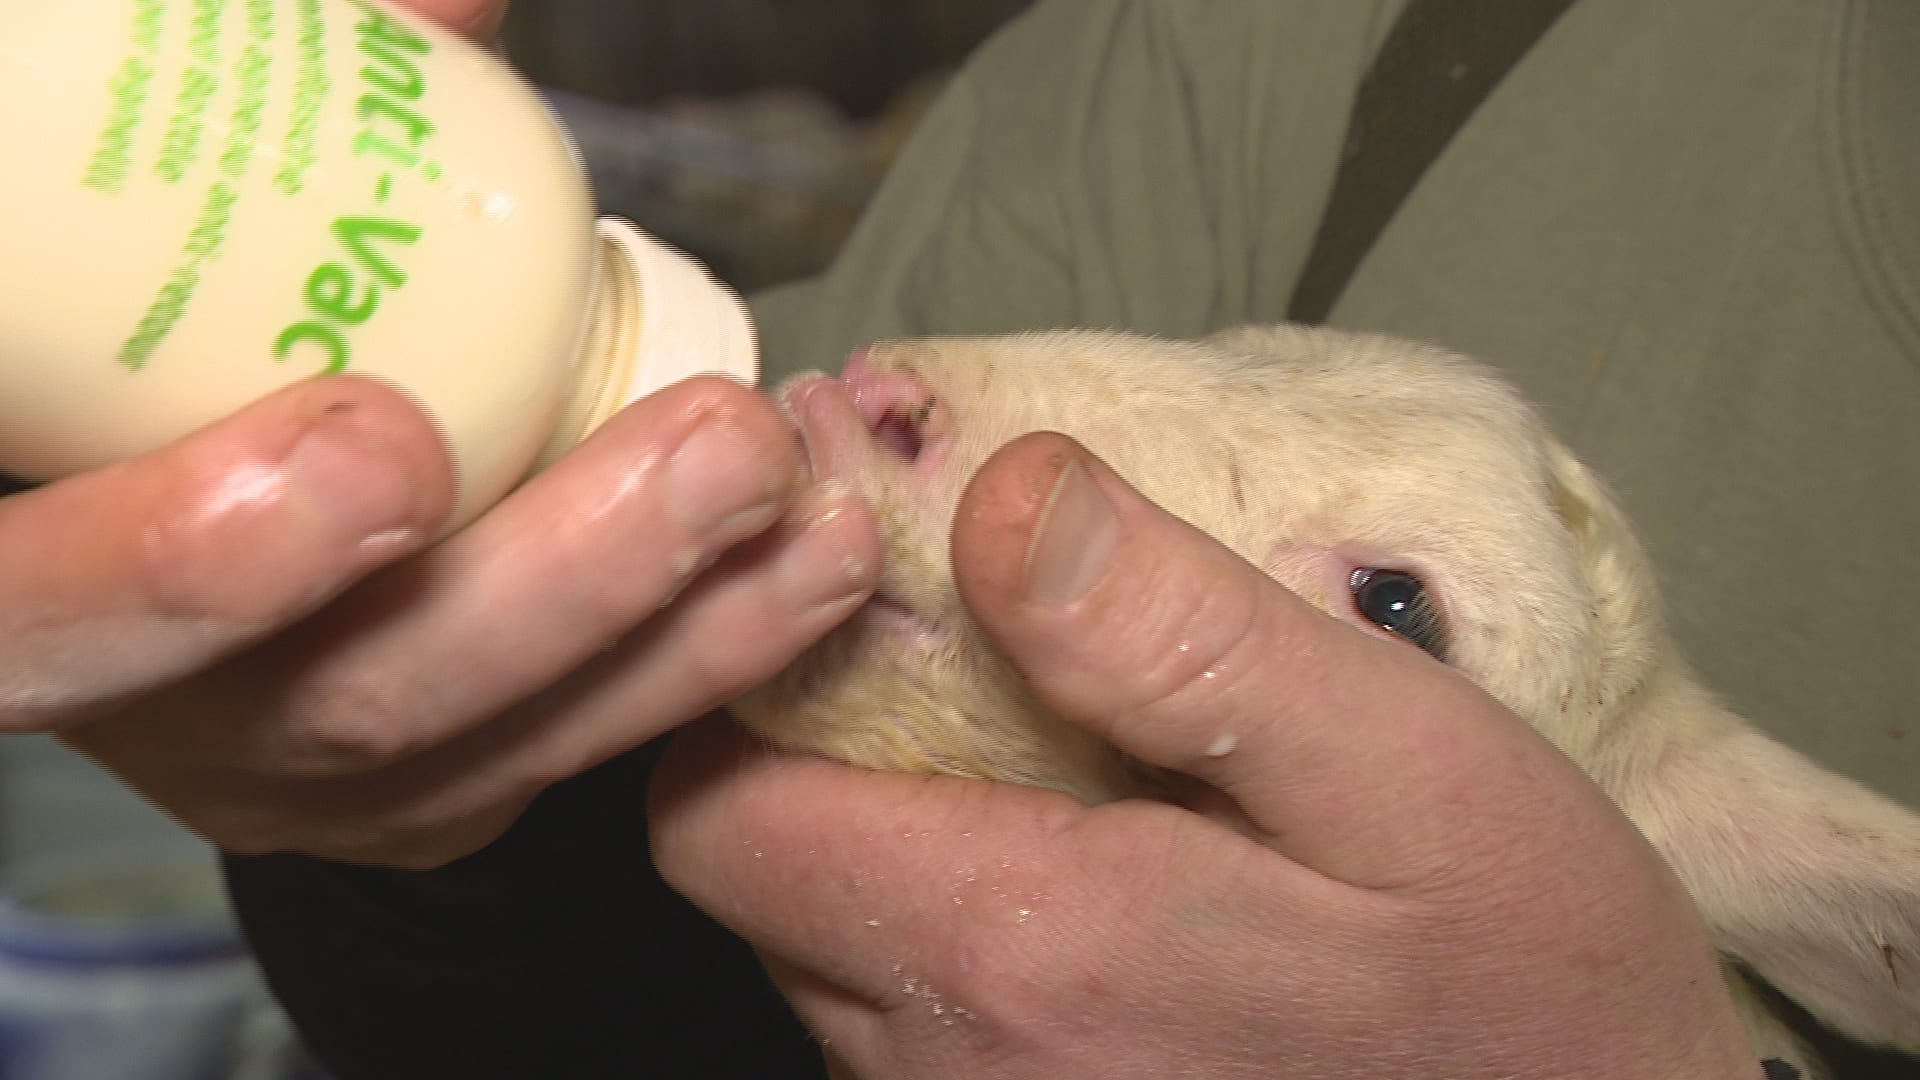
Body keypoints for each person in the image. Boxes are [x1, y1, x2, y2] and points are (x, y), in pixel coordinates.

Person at [2, 0, 1912, 1078]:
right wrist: (428, 776)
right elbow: (614, 1002)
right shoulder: (1268, 54)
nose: (897, 386)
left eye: (1396, 607)